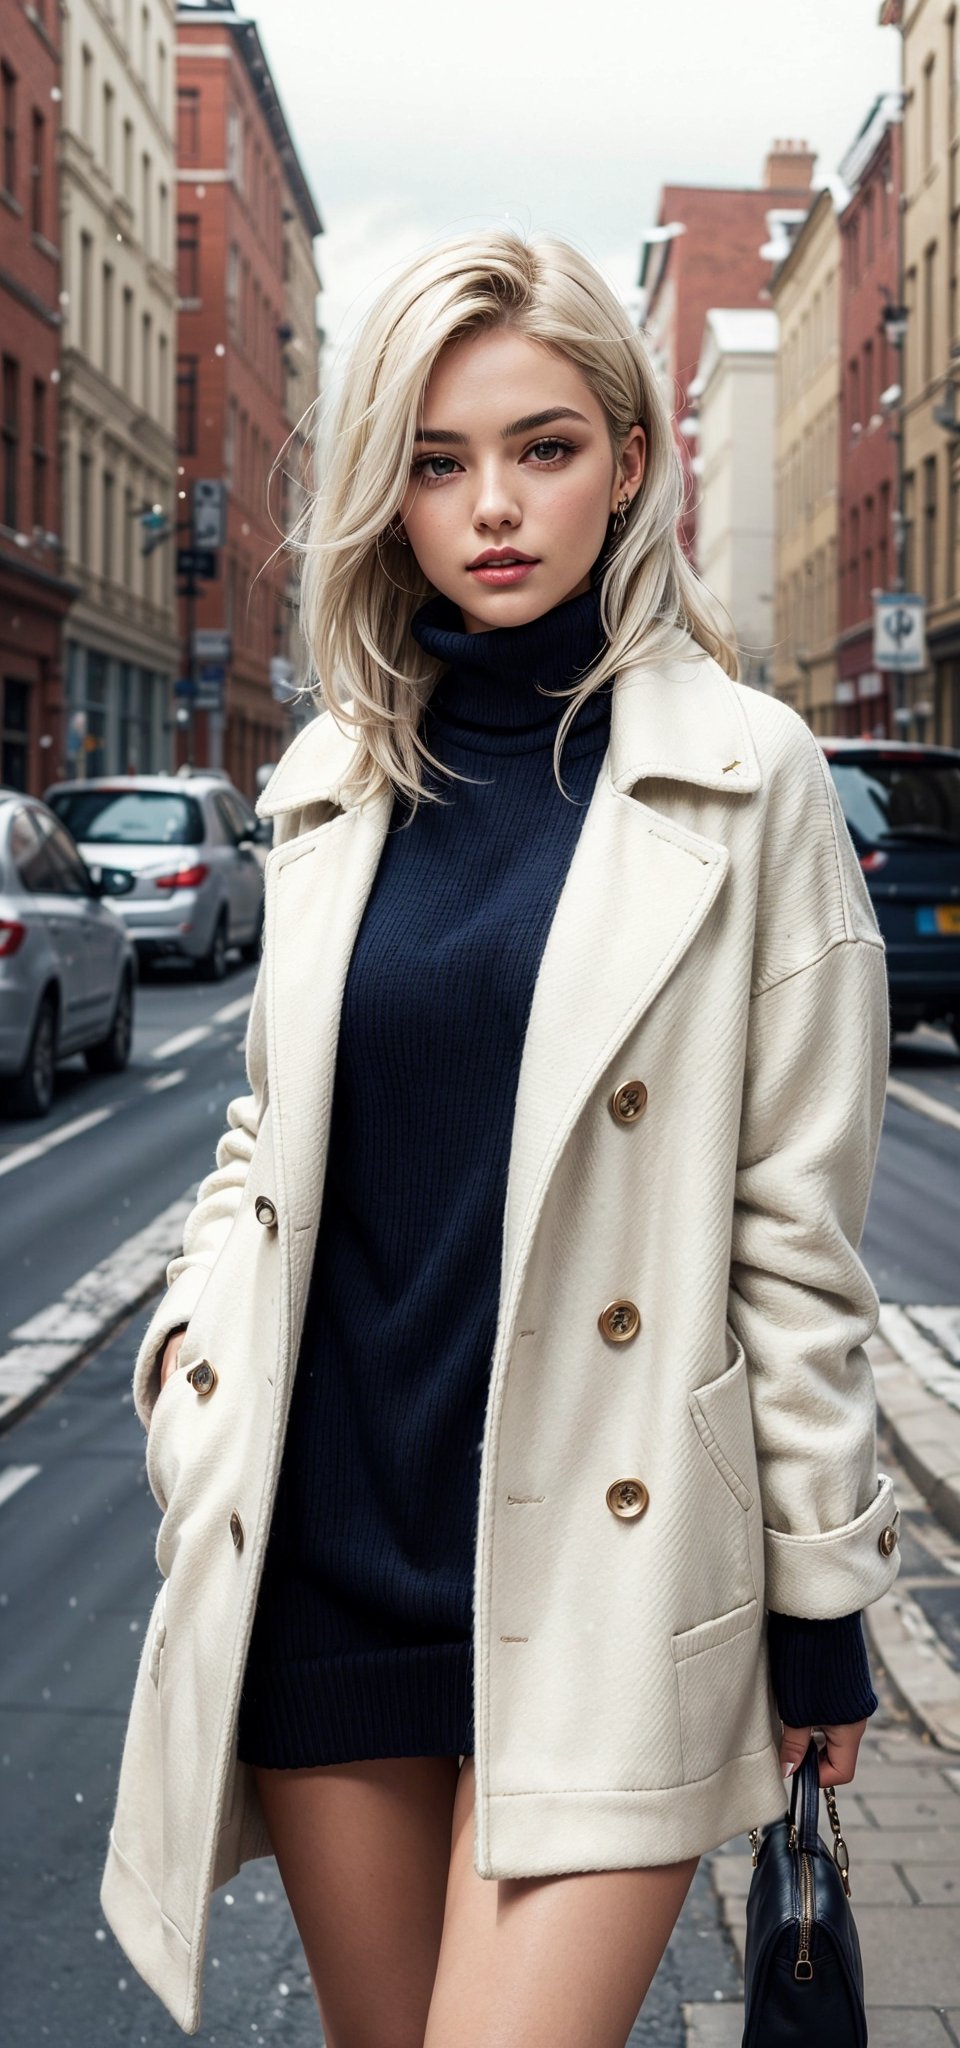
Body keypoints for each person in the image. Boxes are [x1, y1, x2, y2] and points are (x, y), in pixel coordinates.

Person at [102, 227, 902, 2044]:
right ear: (389, 494)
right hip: (330, 1552)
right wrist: (189, 1369)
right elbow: (267, 1135)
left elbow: (793, 1229)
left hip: (605, 1581)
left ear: (630, 460)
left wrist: (823, 1598)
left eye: (543, 449)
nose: (493, 509)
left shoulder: (746, 772)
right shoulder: (332, 784)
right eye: (440, 463)